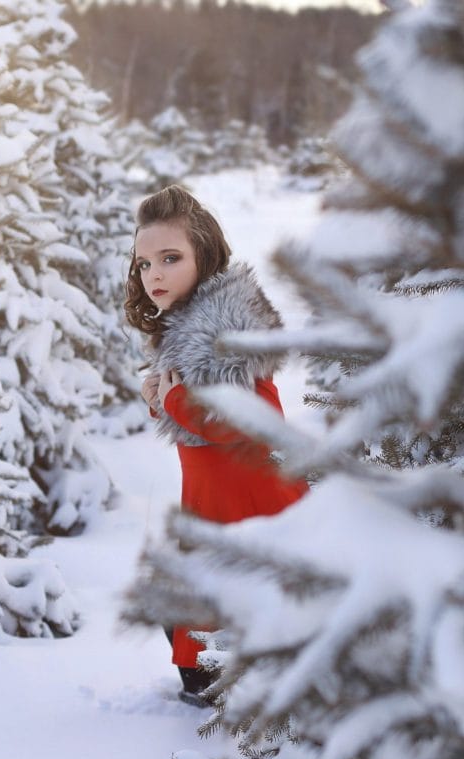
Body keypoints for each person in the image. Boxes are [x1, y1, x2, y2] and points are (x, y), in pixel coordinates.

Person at [125, 185, 308, 707]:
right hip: (217, 513)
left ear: (203, 257)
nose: (153, 274)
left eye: (170, 258)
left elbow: (254, 420)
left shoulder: (226, 326)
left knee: (214, 673)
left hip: (253, 514)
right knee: (196, 653)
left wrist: (176, 395)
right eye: (144, 264)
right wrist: (163, 395)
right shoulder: (189, 328)